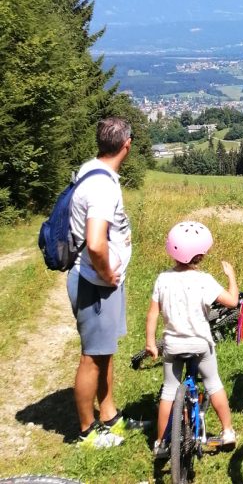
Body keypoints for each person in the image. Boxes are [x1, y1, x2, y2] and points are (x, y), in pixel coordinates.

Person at [67, 116, 143, 448]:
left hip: (98, 282)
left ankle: (109, 415)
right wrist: (107, 272)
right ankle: (86, 432)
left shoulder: (92, 169)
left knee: (104, 352)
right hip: (95, 284)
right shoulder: (101, 187)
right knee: (92, 357)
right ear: (126, 145)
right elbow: (96, 242)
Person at [146, 221, 239, 459]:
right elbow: (232, 301)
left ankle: (159, 443)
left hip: (172, 345)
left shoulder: (163, 279)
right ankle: (227, 431)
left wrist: (149, 342)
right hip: (200, 344)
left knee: (168, 390)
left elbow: (153, 313)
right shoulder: (204, 280)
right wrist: (231, 277)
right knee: (213, 382)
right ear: (201, 254)